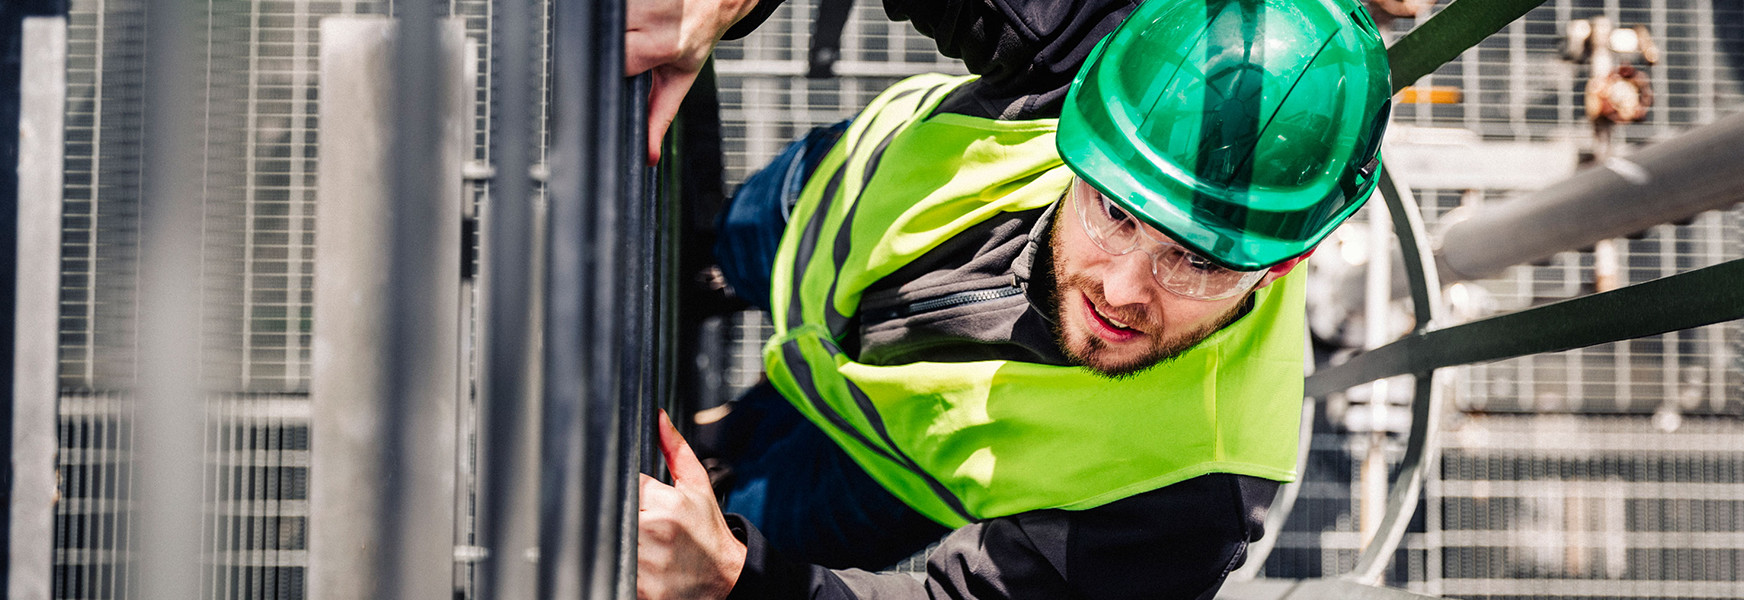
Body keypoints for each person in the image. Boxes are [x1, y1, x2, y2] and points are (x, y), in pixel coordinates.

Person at [629, 0, 1393, 598]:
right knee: (720, 245)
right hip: (824, 207)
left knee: (714, 515)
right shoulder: (1136, 45)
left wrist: (732, 579)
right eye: (1116, 211)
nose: (1121, 291)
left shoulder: (1194, 500)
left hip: (877, 464)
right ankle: (715, 282)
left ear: (1287, 265)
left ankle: (722, 442)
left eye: (1195, 263)